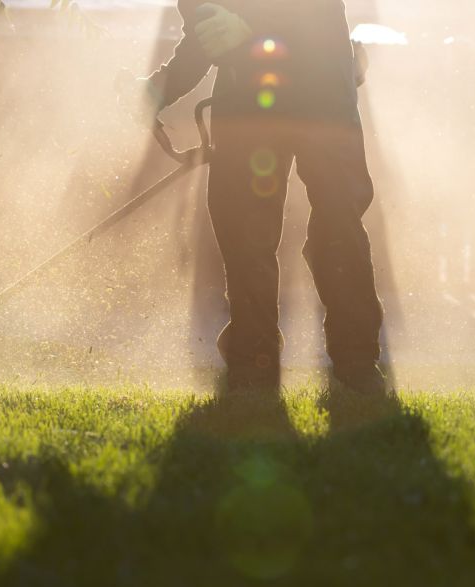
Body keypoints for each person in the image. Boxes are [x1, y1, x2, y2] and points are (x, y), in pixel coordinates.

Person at [135, 1, 384, 394]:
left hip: (322, 94)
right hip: (249, 100)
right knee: (243, 226)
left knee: (338, 222)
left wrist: (258, 27)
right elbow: (206, 36)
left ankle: (356, 361)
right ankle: (253, 359)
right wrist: (157, 88)